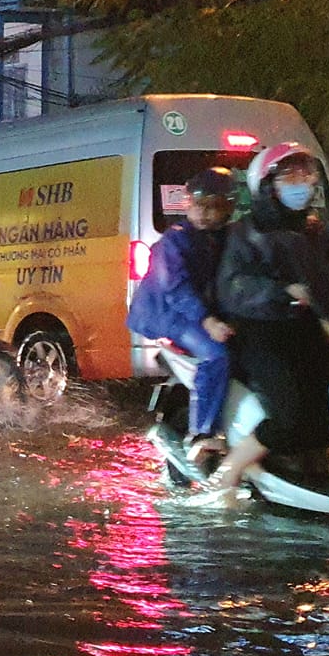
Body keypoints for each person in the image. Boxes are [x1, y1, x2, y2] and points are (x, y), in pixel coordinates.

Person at [207, 143, 329, 497]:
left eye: (306, 175)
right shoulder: (246, 232)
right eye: (291, 176)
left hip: (308, 330)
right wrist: (282, 291)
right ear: (268, 185)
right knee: (288, 413)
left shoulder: (314, 229)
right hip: (261, 333)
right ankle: (229, 471)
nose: (301, 183)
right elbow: (233, 288)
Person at [127, 168, 238, 459]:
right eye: (198, 206)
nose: (203, 214)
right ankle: (202, 433)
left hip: (196, 310)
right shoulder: (174, 241)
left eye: (212, 207)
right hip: (167, 313)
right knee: (216, 355)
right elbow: (175, 289)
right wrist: (208, 321)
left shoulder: (224, 237)